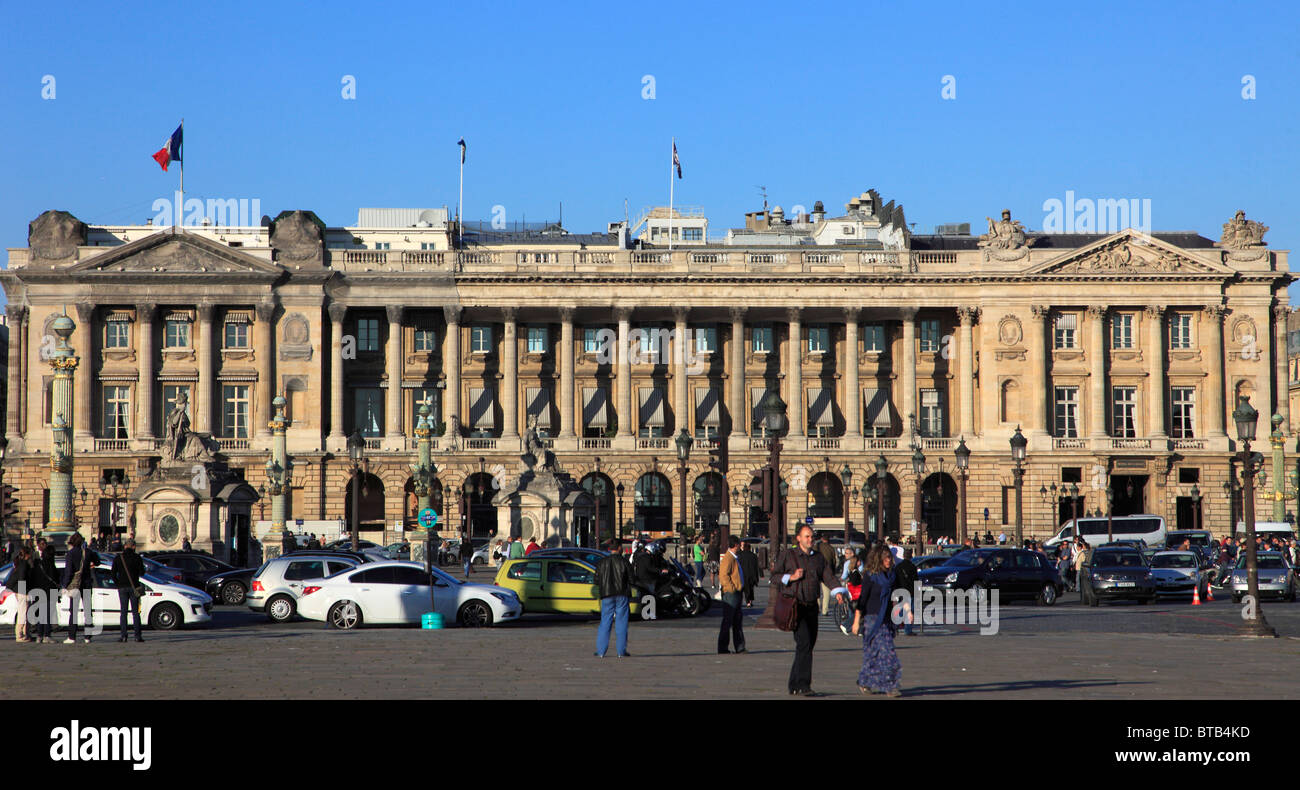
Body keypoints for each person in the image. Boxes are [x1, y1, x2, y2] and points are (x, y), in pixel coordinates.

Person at [773, 524, 848, 696]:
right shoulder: (789, 556)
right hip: (796, 606)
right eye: (806, 536)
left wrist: (837, 591)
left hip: (812, 606)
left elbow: (828, 576)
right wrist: (791, 577)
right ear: (798, 538)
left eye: (811, 536)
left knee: (807, 646)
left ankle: (793, 684)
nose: (810, 539)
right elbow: (774, 576)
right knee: (804, 643)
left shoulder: (818, 558)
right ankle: (804, 685)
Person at [852, 544, 902, 696]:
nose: (889, 560)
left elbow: (897, 594)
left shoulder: (892, 575)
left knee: (873, 652)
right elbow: (863, 598)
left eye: (890, 557)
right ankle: (890, 686)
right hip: (872, 618)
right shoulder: (870, 575)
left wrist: (903, 610)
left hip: (886, 618)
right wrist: (856, 620)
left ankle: (864, 680)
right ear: (878, 559)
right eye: (886, 558)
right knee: (887, 652)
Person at [594, 539, 632, 658]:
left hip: (607, 594)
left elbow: (596, 580)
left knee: (605, 621)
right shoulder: (624, 562)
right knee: (621, 622)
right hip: (622, 593)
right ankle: (621, 651)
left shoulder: (602, 562)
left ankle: (601, 651)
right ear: (619, 548)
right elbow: (632, 579)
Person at [61, 532, 96, 644]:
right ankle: (87, 637)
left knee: (74, 611)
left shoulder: (70, 554)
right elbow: (98, 561)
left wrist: (65, 585)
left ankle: (72, 636)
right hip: (86, 583)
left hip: (75, 584)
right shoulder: (88, 552)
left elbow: (69, 571)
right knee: (87, 611)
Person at [111, 539, 146, 643]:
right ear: (134, 547)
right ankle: (137, 636)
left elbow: (113, 573)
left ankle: (123, 635)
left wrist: (118, 583)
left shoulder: (118, 558)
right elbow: (142, 572)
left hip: (122, 587)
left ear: (125, 546)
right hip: (134, 587)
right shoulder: (137, 557)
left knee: (123, 612)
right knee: (136, 612)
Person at [717, 536, 746, 654]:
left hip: (736, 592)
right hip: (731, 594)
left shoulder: (733, 557)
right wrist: (732, 588)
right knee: (728, 621)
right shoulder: (728, 558)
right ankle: (723, 647)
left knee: (737, 620)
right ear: (736, 545)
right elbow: (723, 575)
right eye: (739, 544)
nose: (741, 546)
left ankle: (739, 647)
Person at [33, 538, 57, 643]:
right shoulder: (50, 564)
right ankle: (46, 635)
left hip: (39, 591)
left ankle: (39, 635)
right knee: (47, 614)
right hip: (48, 591)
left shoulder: (38, 564)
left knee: (41, 614)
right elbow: (54, 577)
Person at [10, 546, 33, 642]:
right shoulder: (24, 564)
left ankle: (25, 634)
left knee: (25, 612)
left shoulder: (21, 563)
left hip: (21, 590)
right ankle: (19, 635)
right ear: (28, 554)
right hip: (22, 591)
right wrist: (25, 591)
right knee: (23, 613)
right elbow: (22, 578)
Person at [893, 549, 918, 636]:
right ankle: (908, 629)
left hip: (901, 591)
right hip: (911, 591)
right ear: (911, 556)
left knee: (901, 610)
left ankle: (894, 627)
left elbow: (895, 580)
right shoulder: (913, 567)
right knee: (909, 611)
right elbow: (916, 580)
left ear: (903, 556)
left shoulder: (898, 567)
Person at [816, 535, 839, 615]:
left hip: (817, 571)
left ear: (822, 539)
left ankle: (817, 607)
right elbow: (835, 561)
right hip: (828, 572)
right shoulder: (831, 548)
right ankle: (825, 610)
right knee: (826, 592)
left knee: (816, 591)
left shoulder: (817, 547)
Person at [739, 540, 760, 607]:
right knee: (750, 589)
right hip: (751, 574)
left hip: (743, 574)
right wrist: (758, 576)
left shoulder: (740, 555)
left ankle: (742, 601)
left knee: (743, 589)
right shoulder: (753, 556)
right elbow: (756, 566)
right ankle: (749, 601)